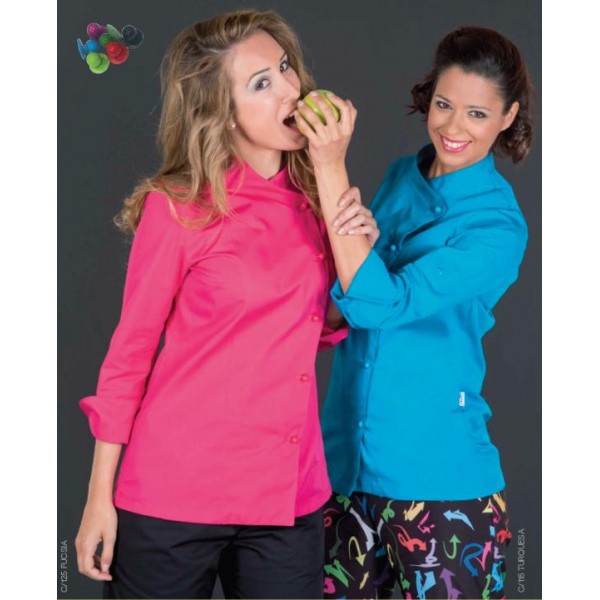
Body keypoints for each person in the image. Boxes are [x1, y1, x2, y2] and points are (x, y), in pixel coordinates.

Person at [74, 9, 375, 599]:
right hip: (174, 492)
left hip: (285, 496)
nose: (290, 89)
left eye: (284, 67)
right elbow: (130, 356)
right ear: (222, 112)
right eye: (261, 83)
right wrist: (98, 500)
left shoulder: (319, 198)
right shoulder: (178, 206)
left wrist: (345, 219)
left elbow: (330, 322)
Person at [302, 26, 534, 599]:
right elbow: (346, 298)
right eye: (445, 104)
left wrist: (330, 166)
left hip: (441, 486)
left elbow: (382, 304)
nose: (454, 127)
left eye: (478, 114)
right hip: (344, 471)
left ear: (507, 117)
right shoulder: (402, 176)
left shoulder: (498, 228)